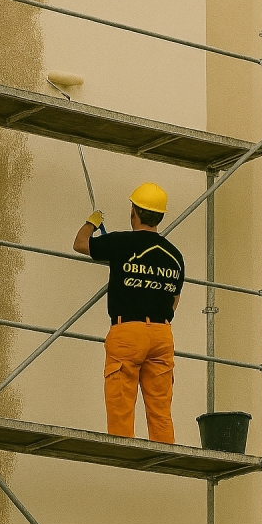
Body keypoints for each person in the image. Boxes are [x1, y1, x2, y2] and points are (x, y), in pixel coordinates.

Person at [72, 183, 184, 444]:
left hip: (127, 332)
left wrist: (91, 222)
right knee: (160, 409)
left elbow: (80, 244)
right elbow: (174, 301)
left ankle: (123, 460)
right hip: (162, 334)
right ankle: (164, 459)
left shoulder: (121, 242)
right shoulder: (174, 255)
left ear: (134, 211)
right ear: (160, 215)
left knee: (121, 405)